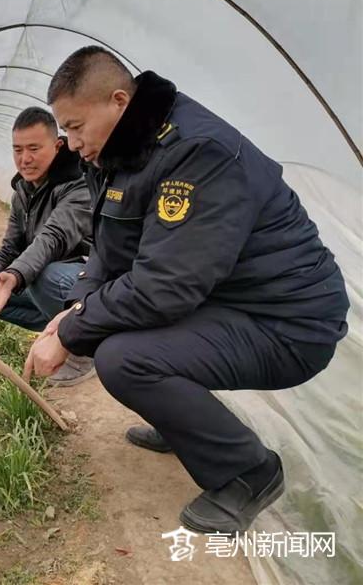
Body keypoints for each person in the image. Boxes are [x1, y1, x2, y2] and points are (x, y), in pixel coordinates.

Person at [23, 46, 349, 533]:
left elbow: (163, 289)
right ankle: (183, 426)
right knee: (117, 332)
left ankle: (249, 471)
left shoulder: (198, 153)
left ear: (117, 101)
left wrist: (71, 334)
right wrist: (74, 306)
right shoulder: (120, 150)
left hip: (290, 324)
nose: (70, 142)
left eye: (74, 126)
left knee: (123, 358)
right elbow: (111, 248)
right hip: (228, 300)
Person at [0, 106, 95, 386]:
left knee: (42, 276)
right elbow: (9, 249)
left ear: (57, 145)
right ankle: (62, 333)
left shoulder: (78, 186)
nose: (24, 159)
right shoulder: (23, 192)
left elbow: (52, 238)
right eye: (17, 150)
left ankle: (82, 350)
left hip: (86, 281)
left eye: (34, 148)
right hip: (55, 281)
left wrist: (15, 276)